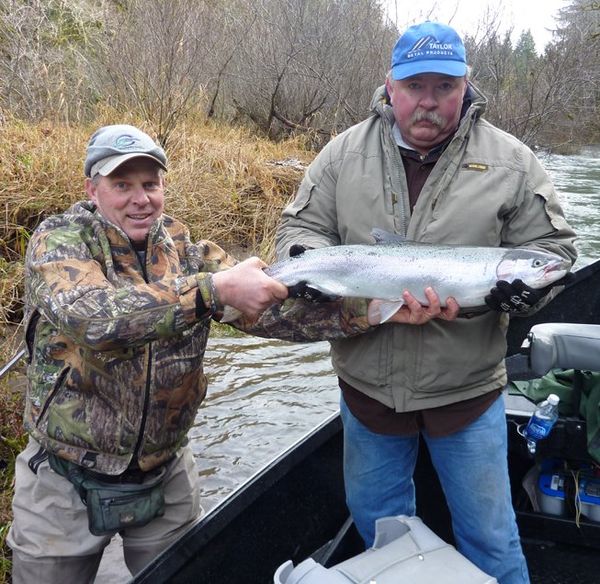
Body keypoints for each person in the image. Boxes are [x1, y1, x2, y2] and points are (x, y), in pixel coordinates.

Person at [274, 21, 577, 584]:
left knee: (492, 540)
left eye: (445, 86)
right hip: (367, 394)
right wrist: (309, 272)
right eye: (416, 87)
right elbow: (298, 231)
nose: (430, 102)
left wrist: (530, 287)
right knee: (381, 534)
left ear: (467, 86)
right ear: (390, 85)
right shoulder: (343, 154)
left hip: (466, 396)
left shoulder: (512, 162)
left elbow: (554, 252)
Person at [6, 124, 295, 583]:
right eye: (122, 185)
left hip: (167, 473)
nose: (140, 198)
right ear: (92, 189)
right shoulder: (59, 241)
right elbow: (93, 317)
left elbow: (274, 310)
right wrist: (212, 290)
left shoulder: (184, 247)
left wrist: (376, 310)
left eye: (150, 184)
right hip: (63, 482)